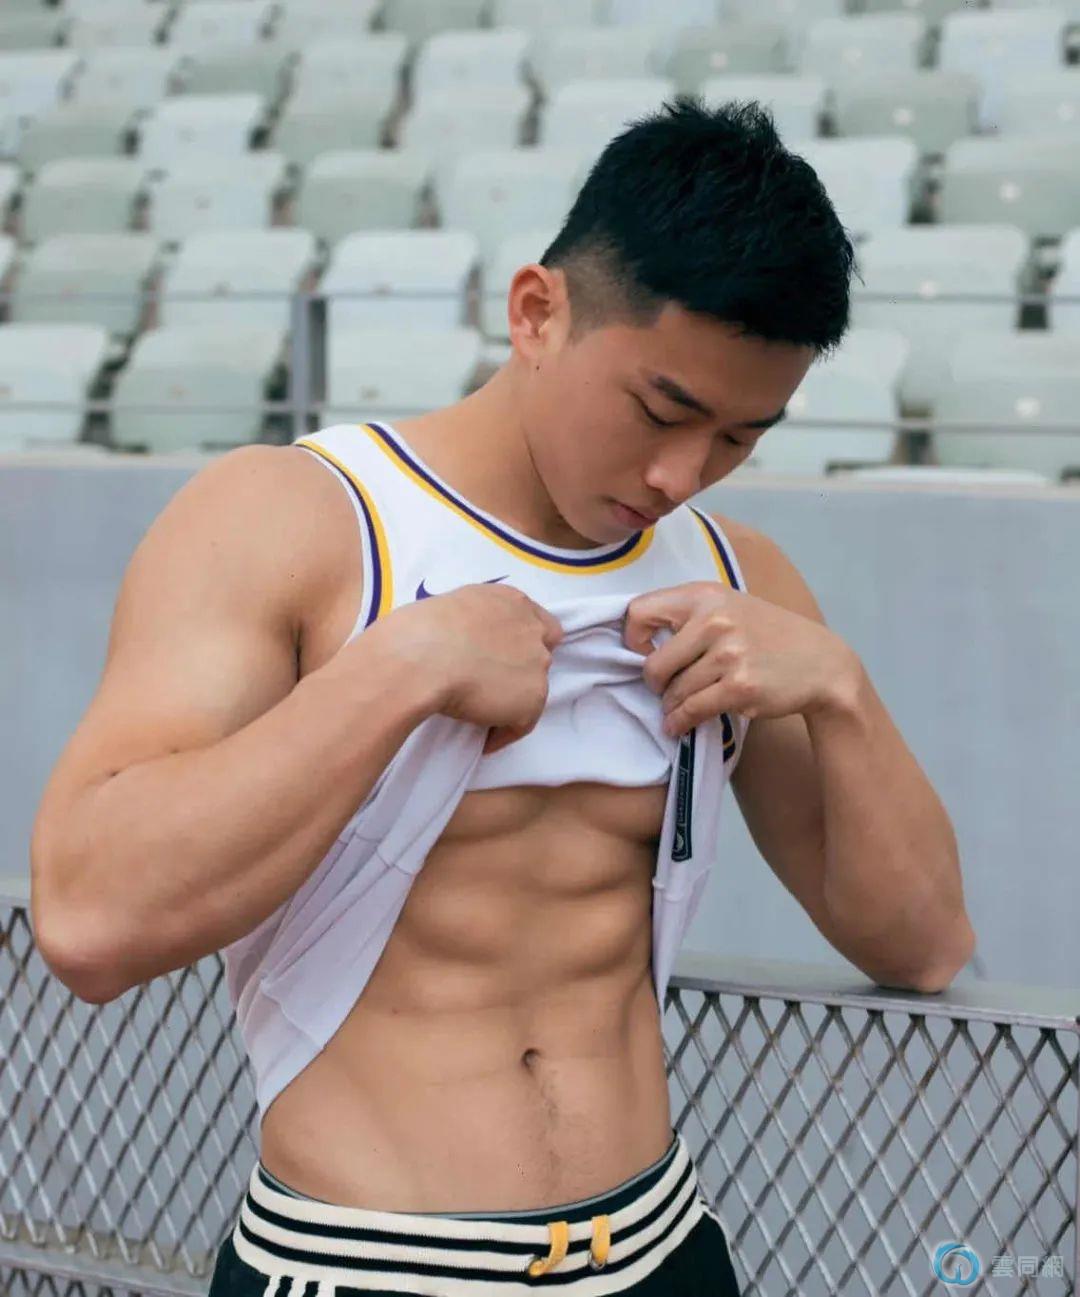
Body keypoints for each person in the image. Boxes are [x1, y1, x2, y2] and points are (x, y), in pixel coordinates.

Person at [30, 98, 975, 1296]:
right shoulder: (299, 520)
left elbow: (924, 947)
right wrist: (398, 672)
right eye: (662, 410)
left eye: (739, 437)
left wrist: (841, 690)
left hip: (659, 1248)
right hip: (367, 1264)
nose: (679, 475)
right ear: (537, 312)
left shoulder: (733, 577)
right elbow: (90, 923)